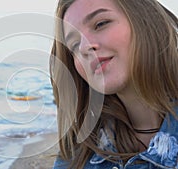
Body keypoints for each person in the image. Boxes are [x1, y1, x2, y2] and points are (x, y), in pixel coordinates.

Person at [49, 0, 178, 168]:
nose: (84, 47)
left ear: (145, 20)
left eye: (101, 24)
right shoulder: (80, 151)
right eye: (74, 44)